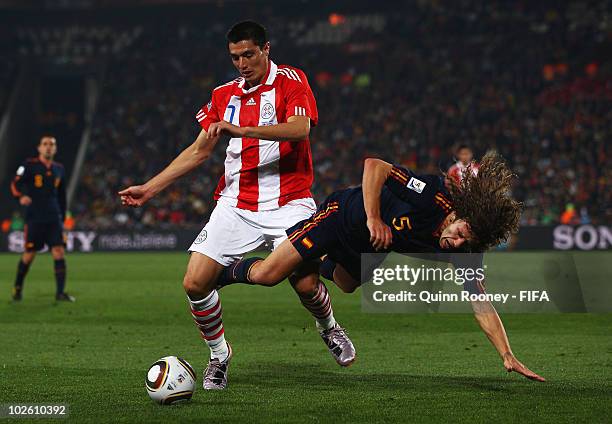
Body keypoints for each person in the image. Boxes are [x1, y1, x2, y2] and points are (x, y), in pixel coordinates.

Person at [118, 21, 354, 390]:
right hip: (236, 203)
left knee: (306, 283)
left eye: (248, 54)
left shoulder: (292, 80)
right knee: (195, 282)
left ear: (266, 50)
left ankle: (330, 328)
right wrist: (150, 188)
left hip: (290, 202)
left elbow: (299, 129)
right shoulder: (222, 95)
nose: (242, 63)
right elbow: (199, 151)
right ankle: (219, 356)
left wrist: (242, 130)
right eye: (234, 57)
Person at [219, 151, 546, 382]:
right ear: (460, 213)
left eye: (467, 242)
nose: (456, 243)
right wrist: (374, 217)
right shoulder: (432, 196)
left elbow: (480, 301)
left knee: (346, 284)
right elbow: (375, 165)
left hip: (372, 246)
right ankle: (220, 272)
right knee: (266, 275)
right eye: (461, 232)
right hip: (342, 217)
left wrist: (507, 354)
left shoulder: (467, 251)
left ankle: (304, 257)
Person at [9, 136, 74, 302]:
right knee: (29, 254)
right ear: (39, 148)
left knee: (59, 251)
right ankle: (17, 287)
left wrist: (63, 217)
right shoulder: (28, 165)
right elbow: (15, 184)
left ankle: (60, 293)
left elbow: (62, 196)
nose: (48, 147)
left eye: (52, 144)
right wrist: (20, 197)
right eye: (45, 144)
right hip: (35, 218)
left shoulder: (59, 169)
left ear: (55, 149)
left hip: (54, 218)